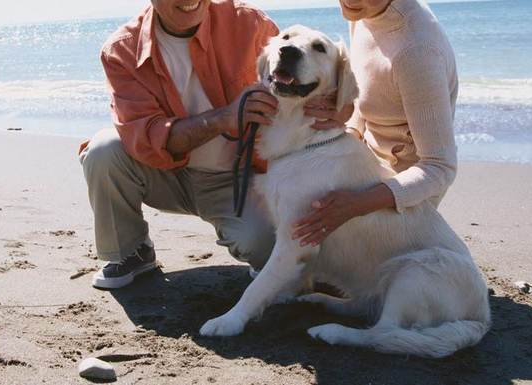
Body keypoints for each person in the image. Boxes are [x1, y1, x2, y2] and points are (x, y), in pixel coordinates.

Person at [79, 0, 280, 289]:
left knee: (270, 248)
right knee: (103, 151)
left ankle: (261, 249)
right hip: (166, 173)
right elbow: (148, 136)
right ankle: (131, 251)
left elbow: (296, 95)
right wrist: (223, 118)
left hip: (237, 179)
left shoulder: (250, 24)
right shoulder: (121, 50)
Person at [293, 0, 459, 246]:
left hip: (404, 191)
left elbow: (440, 167)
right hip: (365, 160)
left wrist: (354, 205)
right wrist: (346, 131)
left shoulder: (416, 50)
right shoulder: (363, 11)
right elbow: (367, 90)